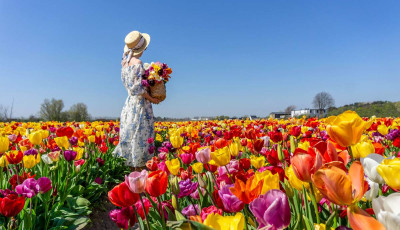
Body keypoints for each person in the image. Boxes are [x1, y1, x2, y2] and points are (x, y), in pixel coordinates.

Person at [113, 31, 160, 170]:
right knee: (141, 133)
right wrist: (152, 98)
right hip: (140, 104)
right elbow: (139, 89)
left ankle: (132, 167)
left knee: (131, 132)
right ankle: (140, 168)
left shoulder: (124, 63)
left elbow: (132, 87)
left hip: (129, 104)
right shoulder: (138, 63)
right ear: (143, 48)